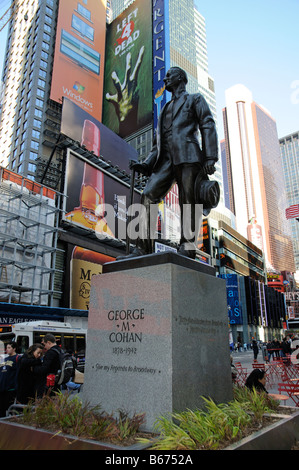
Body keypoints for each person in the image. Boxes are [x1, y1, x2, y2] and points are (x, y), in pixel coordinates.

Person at [128, 66, 218, 259]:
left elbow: (207, 124)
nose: (166, 78)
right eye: (166, 75)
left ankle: (188, 246)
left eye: (170, 75)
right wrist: (146, 165)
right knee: (148, 194)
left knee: (188, 201)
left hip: (188, 156)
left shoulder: (194, 99)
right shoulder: (165, 108)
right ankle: (143, 248)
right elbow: (157, 144)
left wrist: (210, 157)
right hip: (166, 160)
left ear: (181, 78)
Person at [0, 341, 19, 417]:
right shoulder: (4, 359)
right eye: (6, 348)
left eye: (9, 348)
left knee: (8, 408)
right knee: (1, 408)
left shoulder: (17, 358)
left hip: (10, 388)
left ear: (14, 349)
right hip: (2, 388)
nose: (7, 349)